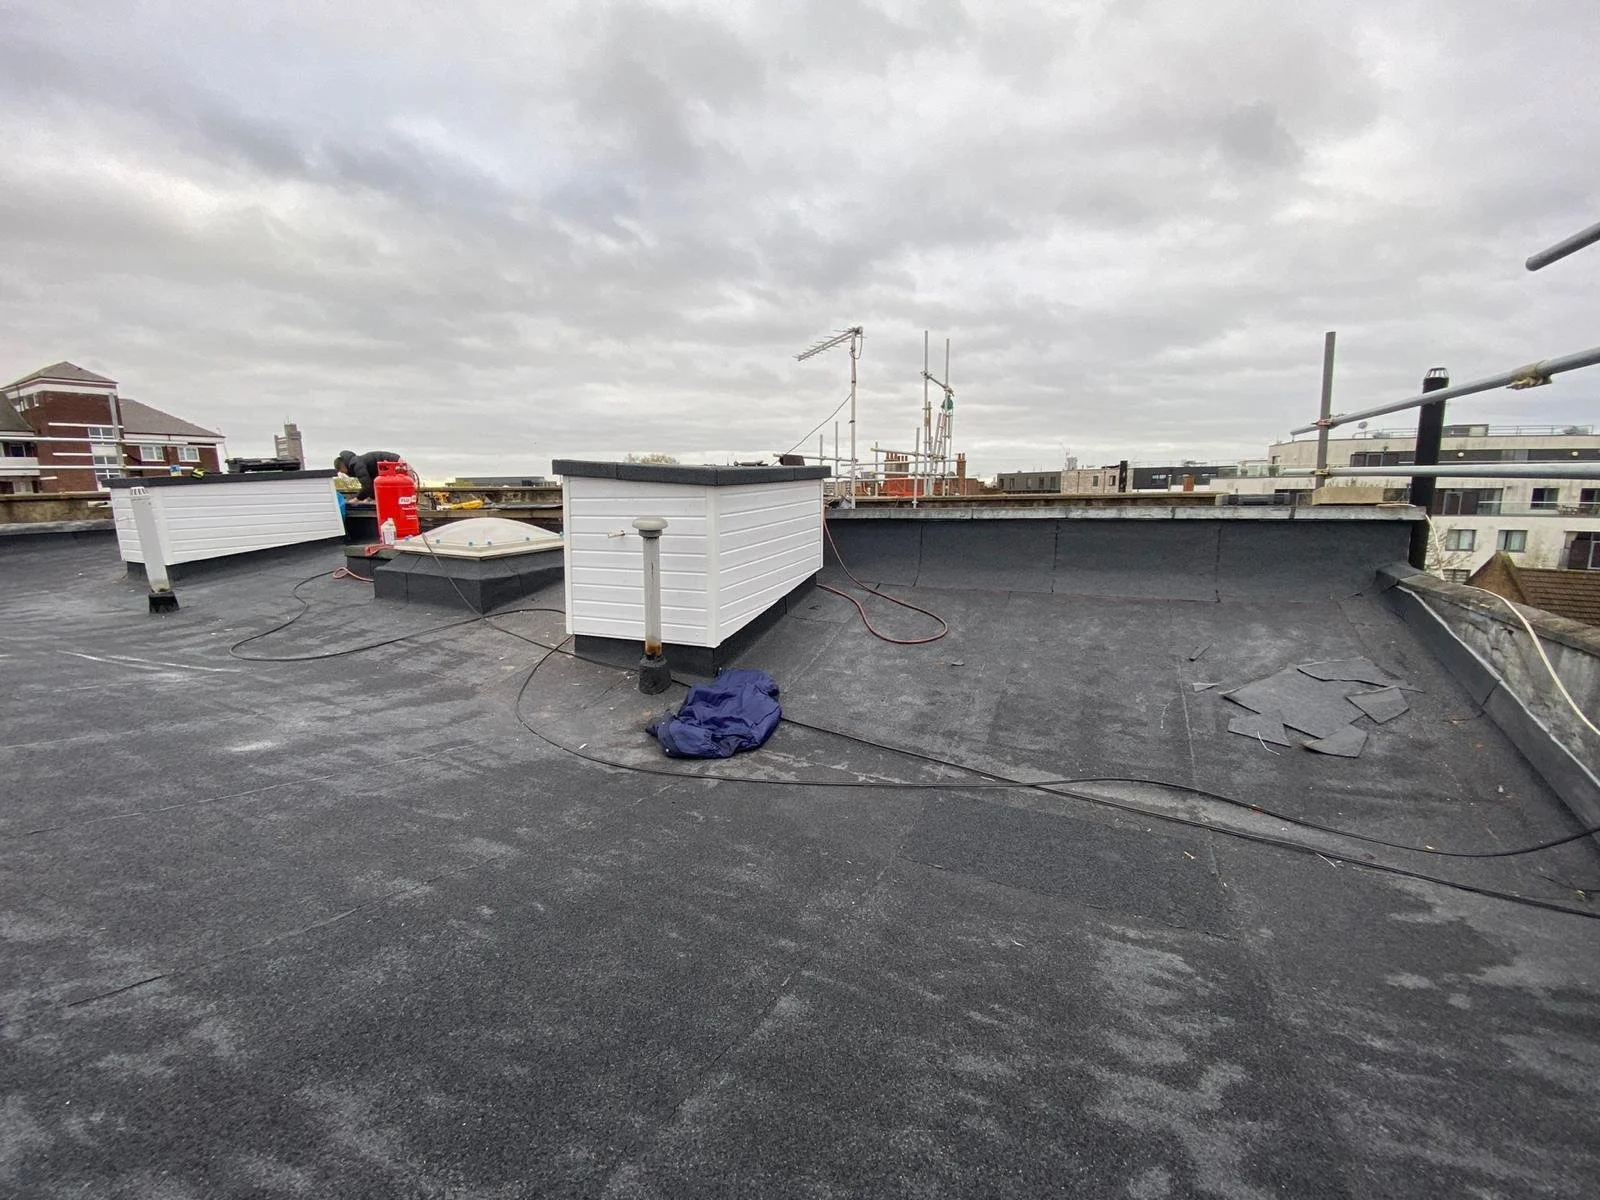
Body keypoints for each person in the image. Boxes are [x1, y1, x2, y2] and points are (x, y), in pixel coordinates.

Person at [333, 450, 401, 502]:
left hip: (395, 463)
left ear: (342, 467)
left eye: (342, 471)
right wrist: (370, 498)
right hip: (390, 465)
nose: (344, 473)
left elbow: (367, 487)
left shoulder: (357, 465)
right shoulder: (357, 463)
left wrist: (356, 499)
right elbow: (371, 482)